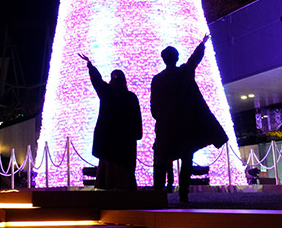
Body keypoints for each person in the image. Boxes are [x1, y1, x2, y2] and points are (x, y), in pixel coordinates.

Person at [150, 34, 228, 203]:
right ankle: (183, 193)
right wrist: (202, 43)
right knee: (186, 159)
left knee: (162, 159)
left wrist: (161, 119)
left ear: (163, 59)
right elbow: (194, 60)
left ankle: (158, 192)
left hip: (166, 127)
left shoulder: (157, 80)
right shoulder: (184, 73)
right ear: (176, 58)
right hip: (185, 125)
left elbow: (154, 107)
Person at [79, 52, 142, 190]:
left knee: (109, 168)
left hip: (108, 141)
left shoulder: (107, 92)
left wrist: (90, 65)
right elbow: (137, 118)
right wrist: (137, 134)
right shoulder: (130, 97)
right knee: (123, 170)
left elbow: (97, 81)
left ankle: (108, 188)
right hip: (124, 142)